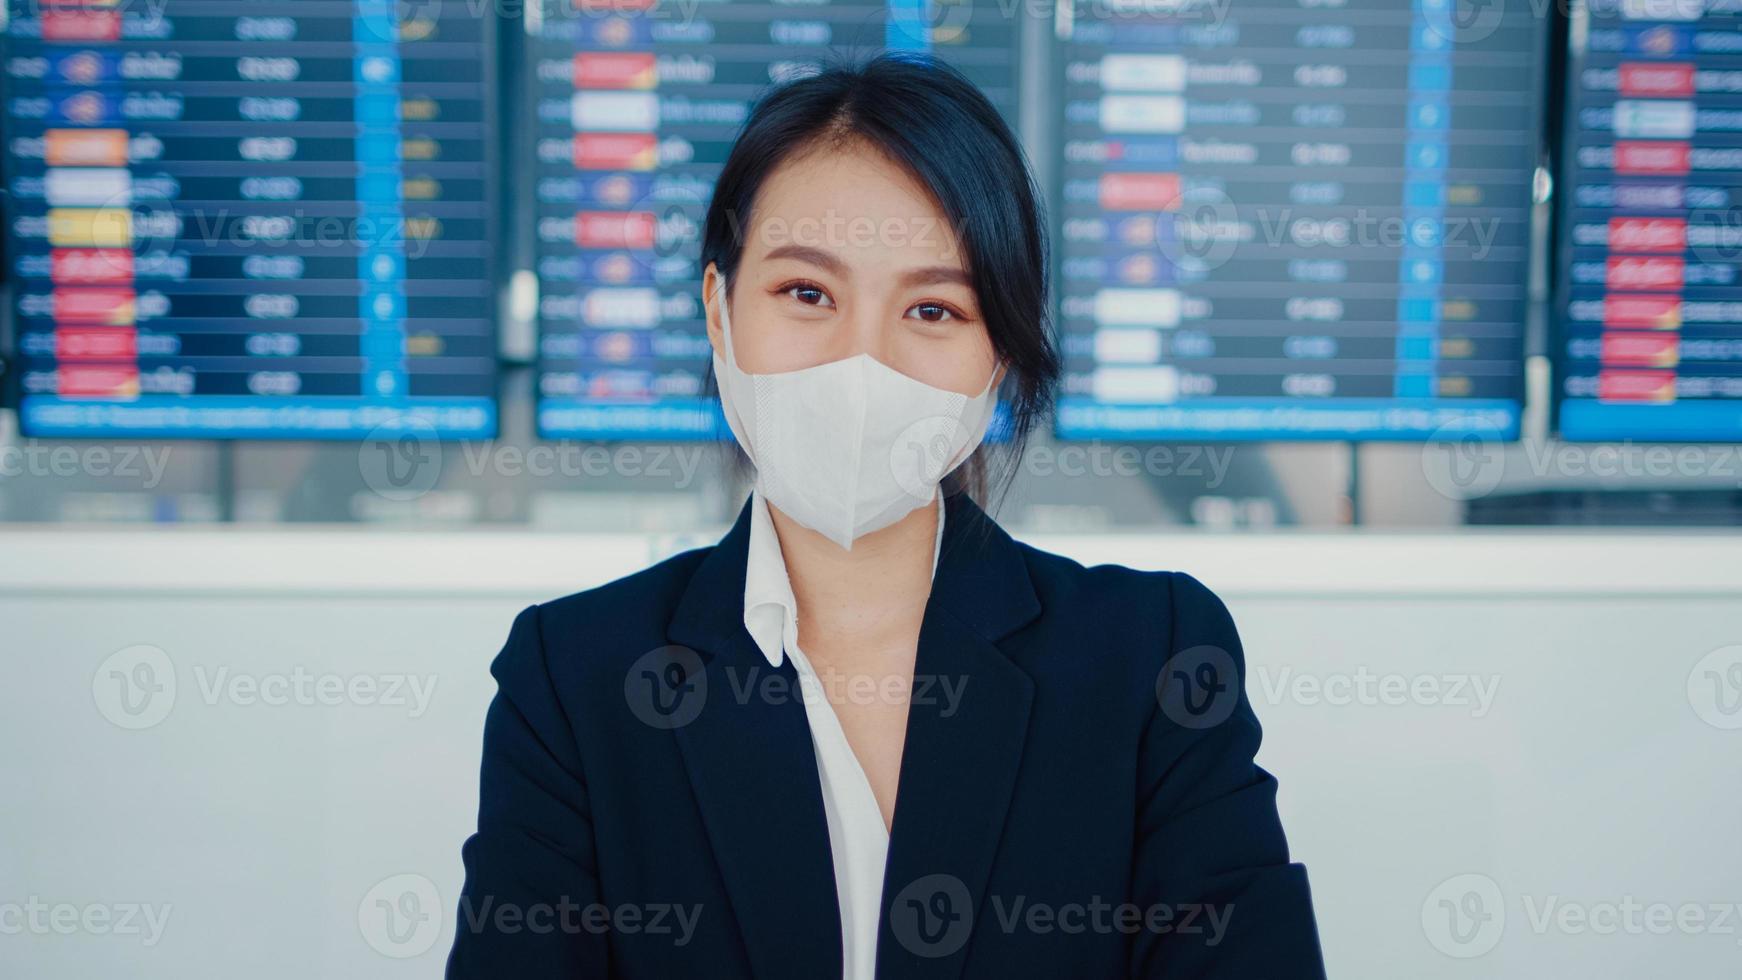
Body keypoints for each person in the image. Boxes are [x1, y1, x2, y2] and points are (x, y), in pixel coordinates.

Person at [448, 53, 1324, 980]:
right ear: (719, 311)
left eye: (934, 308)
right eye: (807, 293)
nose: (860, 363)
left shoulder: (1151, 658)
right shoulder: (575, 680)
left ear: (1001, 358)